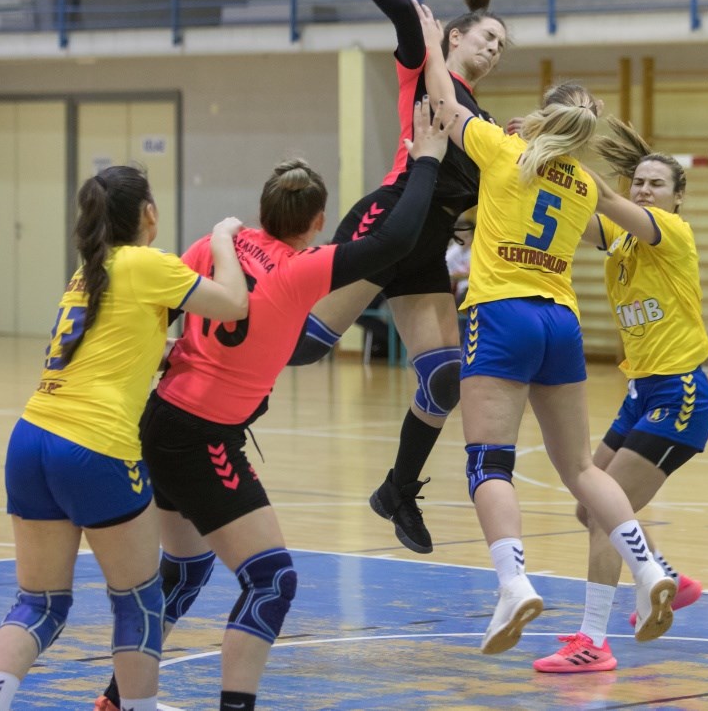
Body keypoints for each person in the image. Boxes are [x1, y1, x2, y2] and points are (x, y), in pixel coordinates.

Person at [94, 98, 455, 711]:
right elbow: (394, 240)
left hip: (161, 420)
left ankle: (115, 699)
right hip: (202, 436)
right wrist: (427, 161)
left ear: (262, 210)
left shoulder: (215, 246)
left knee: (185, 572)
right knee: (271, 580)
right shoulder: (303, 268)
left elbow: (159, 317)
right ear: (317, 222)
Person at [416, 4, 677, 656]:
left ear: (541, 118)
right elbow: (608, 233)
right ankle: (648, 570)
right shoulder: (583, 183)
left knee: (489, 461)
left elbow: (443, 101)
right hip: (561, 321)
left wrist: (430, 41)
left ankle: (513, 583)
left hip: (502, 313)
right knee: (582, 469)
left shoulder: (504, 150)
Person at [0, 165, 251, 711]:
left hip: (30, 438)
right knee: (138, 603)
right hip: (94, 447)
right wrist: (224, 238)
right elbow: (234, 303)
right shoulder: (145, 263)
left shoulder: (89, 272)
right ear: (148, 212)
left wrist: (160, 354)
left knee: (39, 605)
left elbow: (110, 348)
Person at [284, 0, 509, 555]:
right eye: (487, 37)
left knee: (444, 379)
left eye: (501, 46)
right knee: (304, 347)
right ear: (455, 36)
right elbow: (403, 11)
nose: (494, 49)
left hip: (426, 246)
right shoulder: (424, 69)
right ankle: (200, 359)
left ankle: (397, 490)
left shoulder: (483, 121)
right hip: (388, 221)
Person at [532, 123, 708, 673]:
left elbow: (603, 199)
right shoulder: (622, 237)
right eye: (639, 182)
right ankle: (668, 579)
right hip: (641, 393)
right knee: (589, 504)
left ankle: (594, 641)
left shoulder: (671, 231)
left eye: (657, 184)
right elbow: (578, 211)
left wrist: (552, 144)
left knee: (602, 517)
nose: (644, 190)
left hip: (679, 394)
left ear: (677, 197)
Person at [446, 213, 474, 306]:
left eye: (466, 236)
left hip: (473, 288)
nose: (462, 240)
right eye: (459, 237)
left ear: (473, 236)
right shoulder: (453, 251)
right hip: (460, 291)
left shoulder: (476, 251)